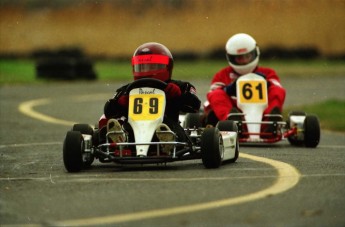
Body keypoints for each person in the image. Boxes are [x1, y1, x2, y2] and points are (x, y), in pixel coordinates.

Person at [99, 42, 201, 149]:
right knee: (104, 131)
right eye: (143, 67)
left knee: (173, 131)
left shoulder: (179, 86)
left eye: (153, 66)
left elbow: (195, 105)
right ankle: (122, 138)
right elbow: (108, 111)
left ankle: (167, 140)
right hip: (132, 128)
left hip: (166, 125)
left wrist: (178, 96)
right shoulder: (127, 89)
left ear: (167, 66)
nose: (147, 70)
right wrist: (120, 103)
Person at [205, 33, 286, 128]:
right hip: (233, 110)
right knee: (216, 94)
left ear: (255, 53)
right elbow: (213, 93)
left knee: (277, 90)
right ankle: (232, 122)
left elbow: (277, 88)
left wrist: (266, 84)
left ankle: (271, 122)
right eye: (240, 58)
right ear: (231, 58)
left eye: (248, 56)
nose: (244, 61)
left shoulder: (267, 73)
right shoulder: (223, 75)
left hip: (262, 114)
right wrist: (228, 90)